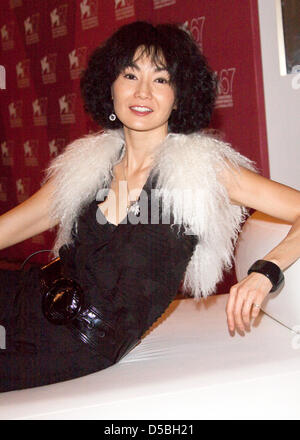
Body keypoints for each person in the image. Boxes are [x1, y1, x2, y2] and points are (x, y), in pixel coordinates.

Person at [0, 21, 299, 393]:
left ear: (180, 94)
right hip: (30, 298)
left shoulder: (204, 171)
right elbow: (7, 229)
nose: (142, 91)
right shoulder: (85, 168)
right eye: (130, 74)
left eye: (161, 80)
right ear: (110, 86)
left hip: (75, 345)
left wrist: (265, 272)